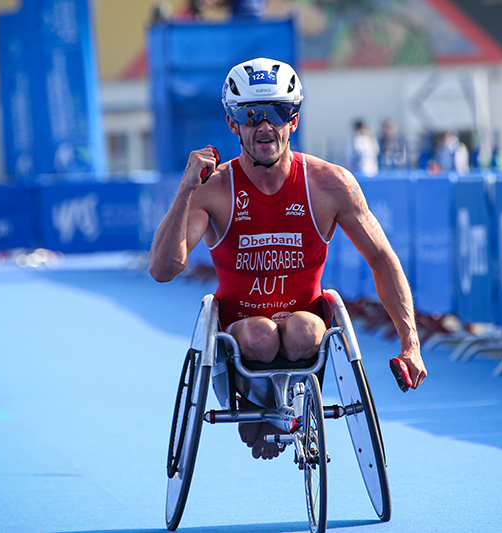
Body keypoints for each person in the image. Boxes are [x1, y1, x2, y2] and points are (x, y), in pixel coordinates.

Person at [149, 57, 426, 459]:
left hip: (306, 322)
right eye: (251, 114)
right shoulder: (214, 190)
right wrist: (186, 190)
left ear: (293, 119)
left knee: (303, 333)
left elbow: (382, 259)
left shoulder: (330, 184)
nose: (265, 126)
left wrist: (410, 344)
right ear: (234, 124)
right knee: (261, 335)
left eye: (277, 112)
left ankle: (279, 410)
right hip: (242, 331)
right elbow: (162, 269)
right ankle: (262, 405)